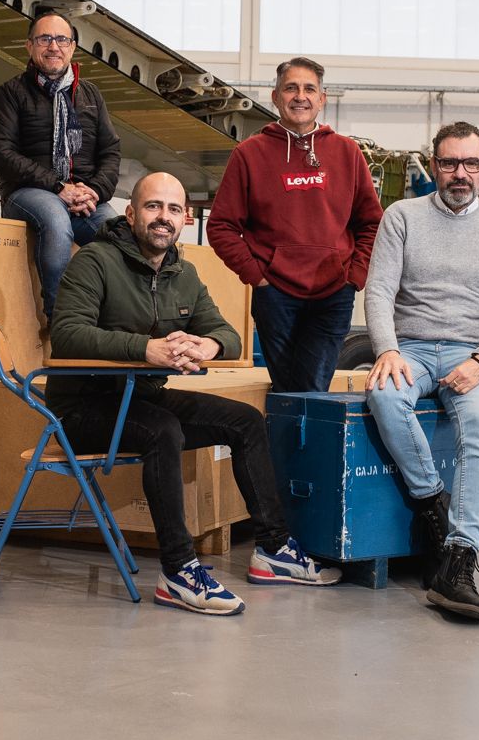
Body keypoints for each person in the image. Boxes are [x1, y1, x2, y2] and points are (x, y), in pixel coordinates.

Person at [48, 172, 340, 615]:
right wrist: (147, 349)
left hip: (141, 398)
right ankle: (178, 572)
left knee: (243, 421)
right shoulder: (95, 261)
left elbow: (230, 335)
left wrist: (210, 344)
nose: (162, 218)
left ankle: (273, 550)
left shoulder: (183, 274)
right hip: (85, 409)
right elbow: (67, 335)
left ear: (185, 219)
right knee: (162, 430)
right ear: (130, 214)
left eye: (172, 209)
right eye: (152, 207)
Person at [363, 121, 479, 620]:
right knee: (385, 397)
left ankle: (458, 559)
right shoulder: (402, 216)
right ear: (434, 166)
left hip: (470, 353)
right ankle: (431, 501)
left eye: (471, 164)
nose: (460, 173)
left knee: (478, 429)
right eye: (450, 163)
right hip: (409, 348)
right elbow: (378, 292)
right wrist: (386, 349)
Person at [206, 57, 382, 392]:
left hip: (334, 292)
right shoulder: (249, 153)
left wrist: (354, 276)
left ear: (322, 99)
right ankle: (284, 444)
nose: (299, 96)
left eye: (308, 89)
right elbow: (222, 226)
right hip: (275, 293)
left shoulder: (347, 152)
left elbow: (372, 223)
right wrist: (255, 275)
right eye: (291, 88)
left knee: (312, 387)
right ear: (275, 97)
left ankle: (293, 444)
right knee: (288, 387)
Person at [0, 11, 122, 322]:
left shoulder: (90, 95)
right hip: (28, 193)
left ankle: (116, 323)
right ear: (29, 46)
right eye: (44, 39)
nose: (53, 46)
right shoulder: (11, 93)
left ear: (72, 47)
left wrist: (94, 191)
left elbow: (111, 151)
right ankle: (62, 320)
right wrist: (58, 187)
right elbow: (1, 153)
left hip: (85, 195)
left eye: (62, 39)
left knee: (120, 236)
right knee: (56, 222)